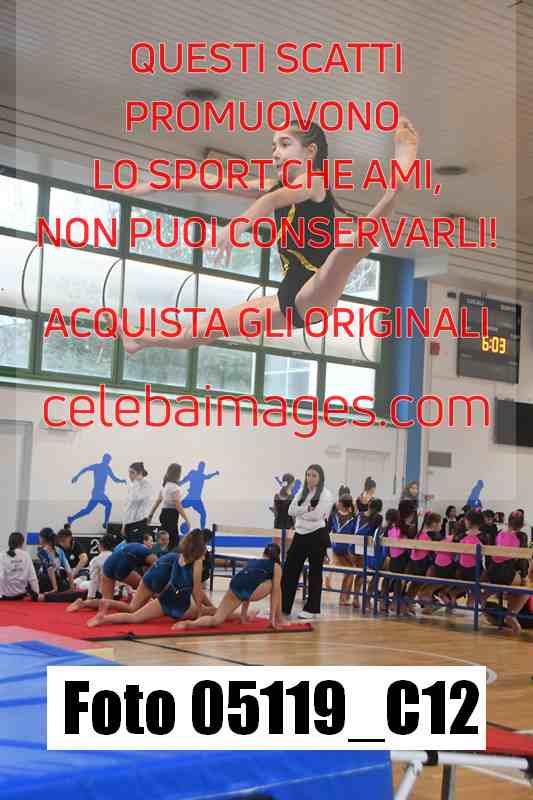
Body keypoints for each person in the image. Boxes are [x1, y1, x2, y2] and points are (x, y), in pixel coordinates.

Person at [109, 118, 418, 351]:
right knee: (207, 328)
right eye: (273, 146)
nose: (275, 153)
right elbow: (214, 181)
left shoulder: (312, 183)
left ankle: (397, 185)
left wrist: (237, 226)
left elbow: (272, 202)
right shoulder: (274, 185)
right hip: (288, 298)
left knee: (348, 249)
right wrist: (153, 184)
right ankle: (140, 341)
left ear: (310, 151)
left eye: (284, 144)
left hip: (317, 288)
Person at [87, 531, 210, 627]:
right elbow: (196, 590)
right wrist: (200, 612)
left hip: (164, 598)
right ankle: (217, 612)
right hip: (179, 603)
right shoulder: (196, 562)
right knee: (209, 611)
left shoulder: (178, 556)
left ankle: (104, 618)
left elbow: (163, 573)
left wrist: (159, 593)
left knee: (134, 616)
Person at [174, 543, 282, 631]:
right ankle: (277, 618)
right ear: (277, 556)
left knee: (216, 619)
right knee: (275, 586)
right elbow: (276, 593)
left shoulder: (253, 561)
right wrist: (271, 619)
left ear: (264, 553)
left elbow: (247, 581)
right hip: (249, 591)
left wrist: (243, 616)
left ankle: (191, 624)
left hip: (235, 585)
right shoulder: (276, 566)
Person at [281, 464, 333, 620]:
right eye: (308, 475)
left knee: (315, 572)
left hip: (317, 535)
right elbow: (290, 510)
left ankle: (312, 608)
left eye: (314, 475)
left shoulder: (326, 494)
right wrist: (306, 509)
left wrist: (301, 513)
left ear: (320, 478)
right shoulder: (301, 492)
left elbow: (316, 516)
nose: (310, 478)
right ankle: (283, 605)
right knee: (290, 570)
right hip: (300, 534)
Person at [147, 463, 191, 550]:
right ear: (177, 474)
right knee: (173, 540)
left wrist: (150, 515)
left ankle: (162, 554)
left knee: (163, 539)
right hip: (171, 515)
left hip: (163, 513)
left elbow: (157, 502)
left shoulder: (164, 487)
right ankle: (170, 555)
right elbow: (178, 506)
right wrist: (186, 519)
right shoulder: (175, 488)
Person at [329, 494, 358, 606]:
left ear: (341, 504)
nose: (337, 503)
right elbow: (328, 530)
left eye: (339, 502)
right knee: (350, 572)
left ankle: (344, 597)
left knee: (350, 572)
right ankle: (343, 598)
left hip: (347, 550)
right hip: (337, 549)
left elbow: (355, 534)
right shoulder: (334, 515)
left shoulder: (353, 518)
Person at [0, 533, 39, 599]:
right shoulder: (26, 555)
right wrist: (36, 593)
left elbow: (1, 577)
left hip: (5, 595)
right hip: (21, 595)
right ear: (21, 543)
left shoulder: (2, 555)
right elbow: (32, 577)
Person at [123, 462, 153, 543]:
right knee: (129, 546)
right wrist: (124, 524)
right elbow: (128, 506)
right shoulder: (132, 485)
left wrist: (136, 481)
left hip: (139, 521)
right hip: (129, 522)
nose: (130, 475)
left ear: (140, 473)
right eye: (129, 472)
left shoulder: (146, 484)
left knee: (136, 547)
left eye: (132, 472)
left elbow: (136, 498)